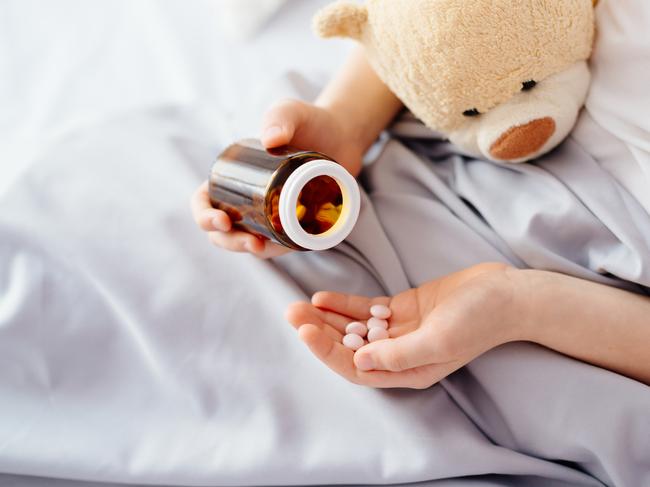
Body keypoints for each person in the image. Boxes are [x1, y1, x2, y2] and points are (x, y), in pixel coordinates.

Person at [191, 48, 650, 388]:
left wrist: (520, 305)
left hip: (584, 301)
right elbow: (439, 24)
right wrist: (347, 121)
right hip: (418, 123)